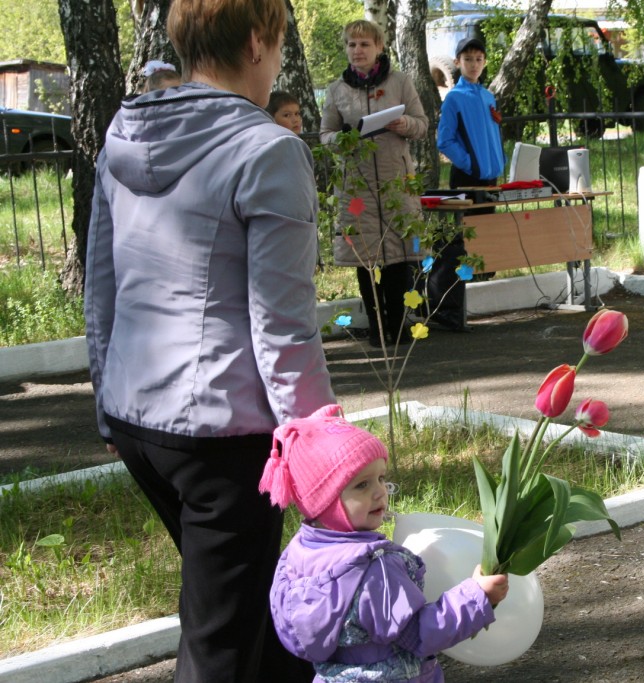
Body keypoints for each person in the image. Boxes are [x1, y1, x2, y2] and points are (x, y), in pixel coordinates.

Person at [84, 0, 336, 680]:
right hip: (223, 438)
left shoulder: (125, 133)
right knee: (220, 644)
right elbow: (283, 324)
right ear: (256, 43)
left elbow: (102, 283)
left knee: (263, 613)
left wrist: (105, 402)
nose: (276, 61)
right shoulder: (269, 149)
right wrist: (325, 449)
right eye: (278, 45)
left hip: (139, 418)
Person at [260, 404, 509, 682]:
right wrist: (477, 597)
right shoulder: (376, 569)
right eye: (362, 485)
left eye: (381, 478)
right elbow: (421, 634)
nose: (380, 492)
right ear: (324, 501)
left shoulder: (295, 555)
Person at [320, 20, 428, 348]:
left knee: (398, 257)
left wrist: (405, 123)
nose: (357, 50)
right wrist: (344, 139)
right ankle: (377, 328)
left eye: (364, 44)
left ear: (379, 47)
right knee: (367, 260)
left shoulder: (400, 82)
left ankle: (398, 325)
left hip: (396, 184)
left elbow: (422, 124)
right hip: (357, 187)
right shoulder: (337, 90)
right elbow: (325, 135)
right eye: (351, 45)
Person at [432, 36, 505, 332]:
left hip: (490, 179)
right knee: (459, 245)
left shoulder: (488, 96)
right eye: (468, 59)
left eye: (478, 59)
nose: (473, 64)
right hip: (466, 178)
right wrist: (471, 164)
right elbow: (445, 140)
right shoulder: (454, 98)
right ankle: (449, 310)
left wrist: (495, 164)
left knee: (481, 242)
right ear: (457, 62)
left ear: (484, 63)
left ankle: (465, 306)